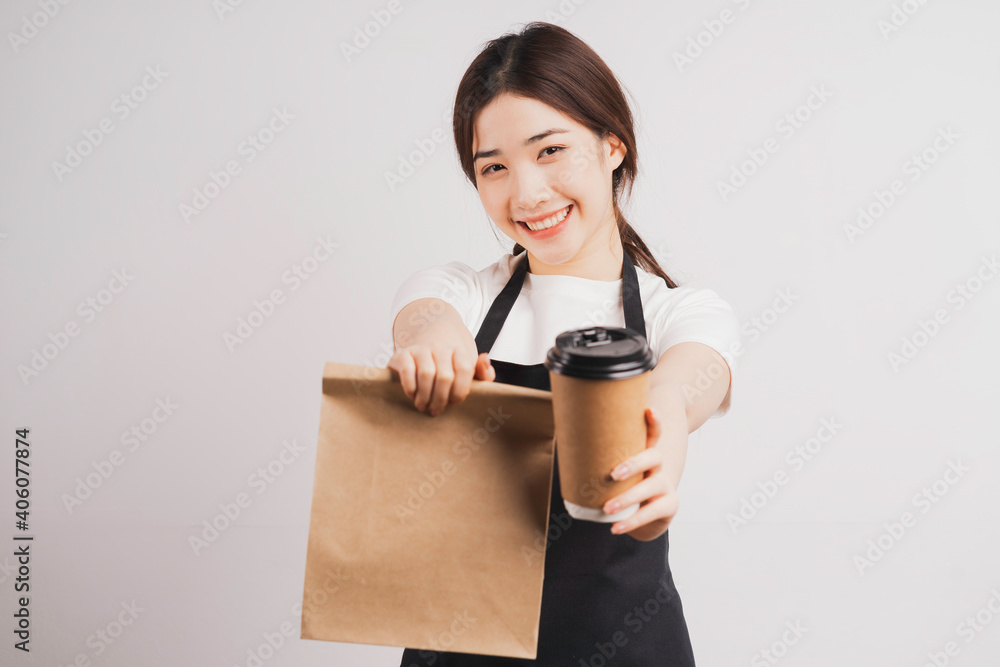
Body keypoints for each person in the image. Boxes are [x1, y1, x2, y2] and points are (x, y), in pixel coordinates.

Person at [387, 21, 739, 667]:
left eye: (550, 150)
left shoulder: (680, 311)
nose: (526, 194)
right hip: (459, 645)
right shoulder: (458, 296)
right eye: (493, 167)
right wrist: (431, 341)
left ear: (612, 145)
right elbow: (423, 313)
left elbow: (692, 374)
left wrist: (663, 433)